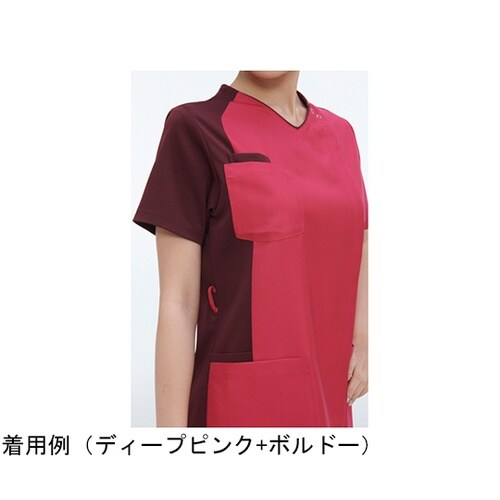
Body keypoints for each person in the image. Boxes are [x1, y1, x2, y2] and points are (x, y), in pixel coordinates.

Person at [133, 71, 368, 427]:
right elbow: (179, 302)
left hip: (330, 391)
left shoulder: (341, 134)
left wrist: (364, 337)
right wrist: (170, 442)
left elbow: (359, 234)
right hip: (240, 405)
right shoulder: (195, 128)